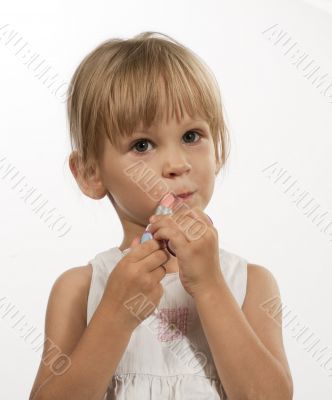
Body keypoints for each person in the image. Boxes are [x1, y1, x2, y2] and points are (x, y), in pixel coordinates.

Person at [29, 31, 293, 400]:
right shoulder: (80, 290)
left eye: (191, 136)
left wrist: (210, 286)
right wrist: (115, 314)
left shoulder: (249, 284)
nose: (176, 164)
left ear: (217, 149)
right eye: (142, 144)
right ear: (91, 173)